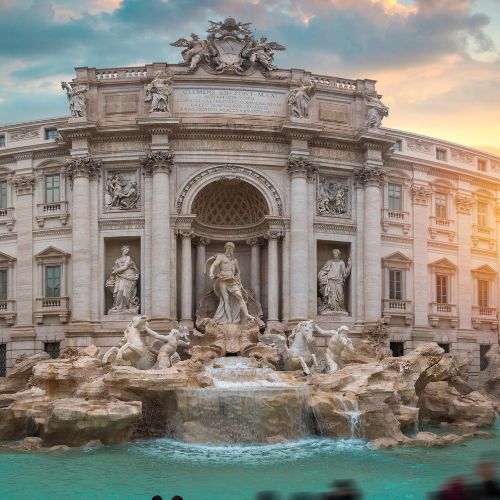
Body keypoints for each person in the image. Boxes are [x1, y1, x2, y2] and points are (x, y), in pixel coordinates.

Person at [205, 242, 253, 324]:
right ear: (225, 248)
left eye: (230, 248)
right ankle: (229, 319)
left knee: (239, 296)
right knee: (226, 299)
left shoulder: (234, 260)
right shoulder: (221, 257)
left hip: (232, 280)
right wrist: (211, 273)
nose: (229, 249)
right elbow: (213, 265)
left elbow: (238, 272)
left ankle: (246, 314)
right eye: (227, 248)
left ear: (233, 250)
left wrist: (236, 277)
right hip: (222, 279)